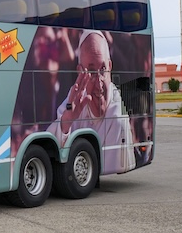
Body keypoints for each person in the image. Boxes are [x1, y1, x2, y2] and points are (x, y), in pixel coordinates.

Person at [47, 30, 136, 174]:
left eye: (103, 69)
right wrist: (66, 123)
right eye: (92, 72)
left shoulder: (117, 116)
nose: (100, 82)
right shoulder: (75, 98)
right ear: (80, 72)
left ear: (110, 67)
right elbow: (50, 157)